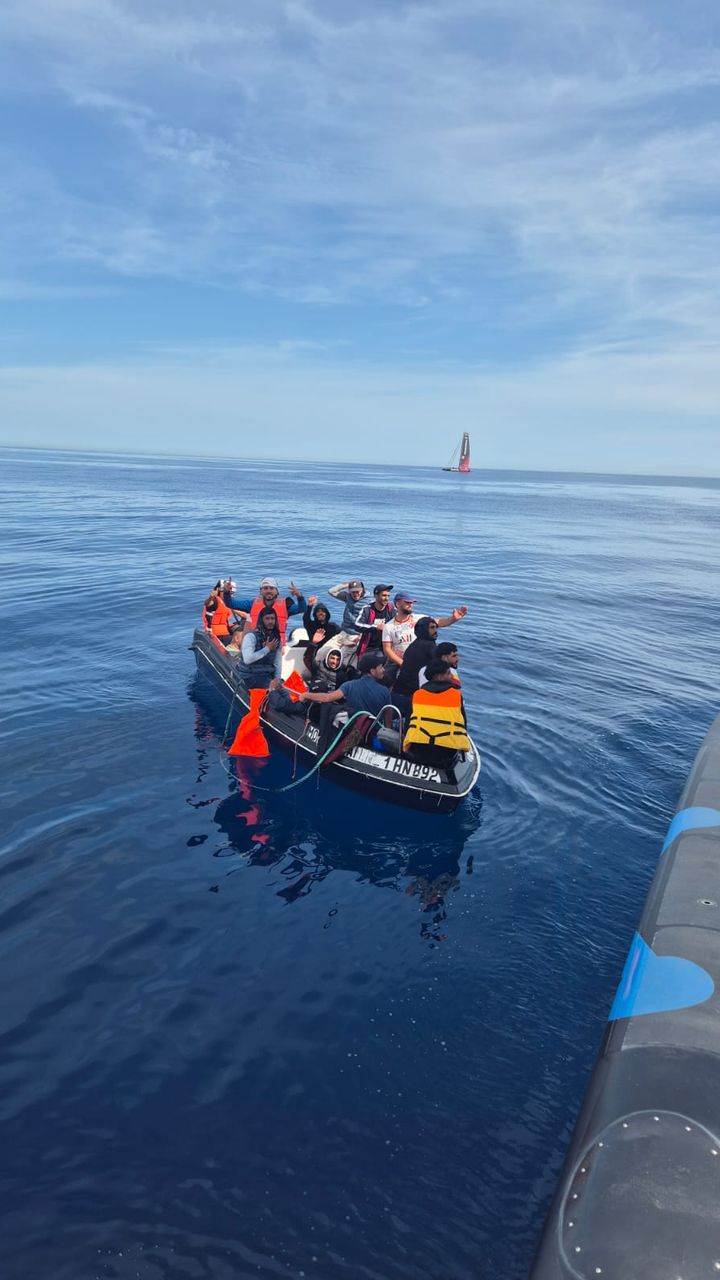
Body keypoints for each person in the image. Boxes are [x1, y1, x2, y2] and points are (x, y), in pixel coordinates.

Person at [402, 658, 471, 768]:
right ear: (438, 676)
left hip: (417, 753)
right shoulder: (456, 695)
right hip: (446, 755)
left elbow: (408, 724)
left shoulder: (418, 695)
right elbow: (464, 725)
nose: (451, 676)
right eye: (448, 673)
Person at [382, 591, 467, 673]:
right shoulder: (389, 626)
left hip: (422, 660)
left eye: (411, 603)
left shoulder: (420, 619)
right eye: (407, 603)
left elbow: (440, 622)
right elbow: (387, 649)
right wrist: (403, 664)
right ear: (398, 604)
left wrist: (453, 619)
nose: (411, 605)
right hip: (400, 663)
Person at [298, 651, 395, 720]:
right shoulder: (385, 691)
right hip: (373, 732)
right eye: (381, 667)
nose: (383, 670)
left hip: (353, 729)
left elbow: (327, 698)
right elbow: (388, 715)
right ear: (372, 671)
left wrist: (306, 695)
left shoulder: (349, 685)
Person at [228, 577, 306, 644]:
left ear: (277, 591)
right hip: (257, 646)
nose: (268, 591)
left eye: (271, 588)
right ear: (261, 591)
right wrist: (226, 592)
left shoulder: (286, 605)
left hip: (277, 647)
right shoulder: (252, 604)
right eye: (265, 588)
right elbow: (231, 604)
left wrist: (300, 596)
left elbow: (302, 608)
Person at [235, 607, 283, 688]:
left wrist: (277, 680)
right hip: (250, 675)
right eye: (267, 619)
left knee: (283, 689)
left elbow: (277, 662)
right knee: (273, 689)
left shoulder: (276, 639)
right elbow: (247, 659)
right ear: (262, 620)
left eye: (272, 619)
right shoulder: (251, 637)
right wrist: (267, 649)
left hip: (266, 675)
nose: (270, 621)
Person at [355, 584, 395, 657]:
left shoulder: (391, 609)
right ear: (376, 596)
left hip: (385, 647)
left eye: (388, 596)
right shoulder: (367, 609)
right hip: (368, 647)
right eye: (384, 595)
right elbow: (357, 625)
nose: (387, 598)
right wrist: (376, 627)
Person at [302, 598, 340, 666]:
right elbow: (305, 618)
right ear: (315, 614)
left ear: (326, 614)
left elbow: (343, 634)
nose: (321, 613)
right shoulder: (311, 625)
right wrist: (309, 606)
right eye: (318, 611)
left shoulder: (333, 627)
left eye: (323, 611)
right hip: (314, 655)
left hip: (329, 656)